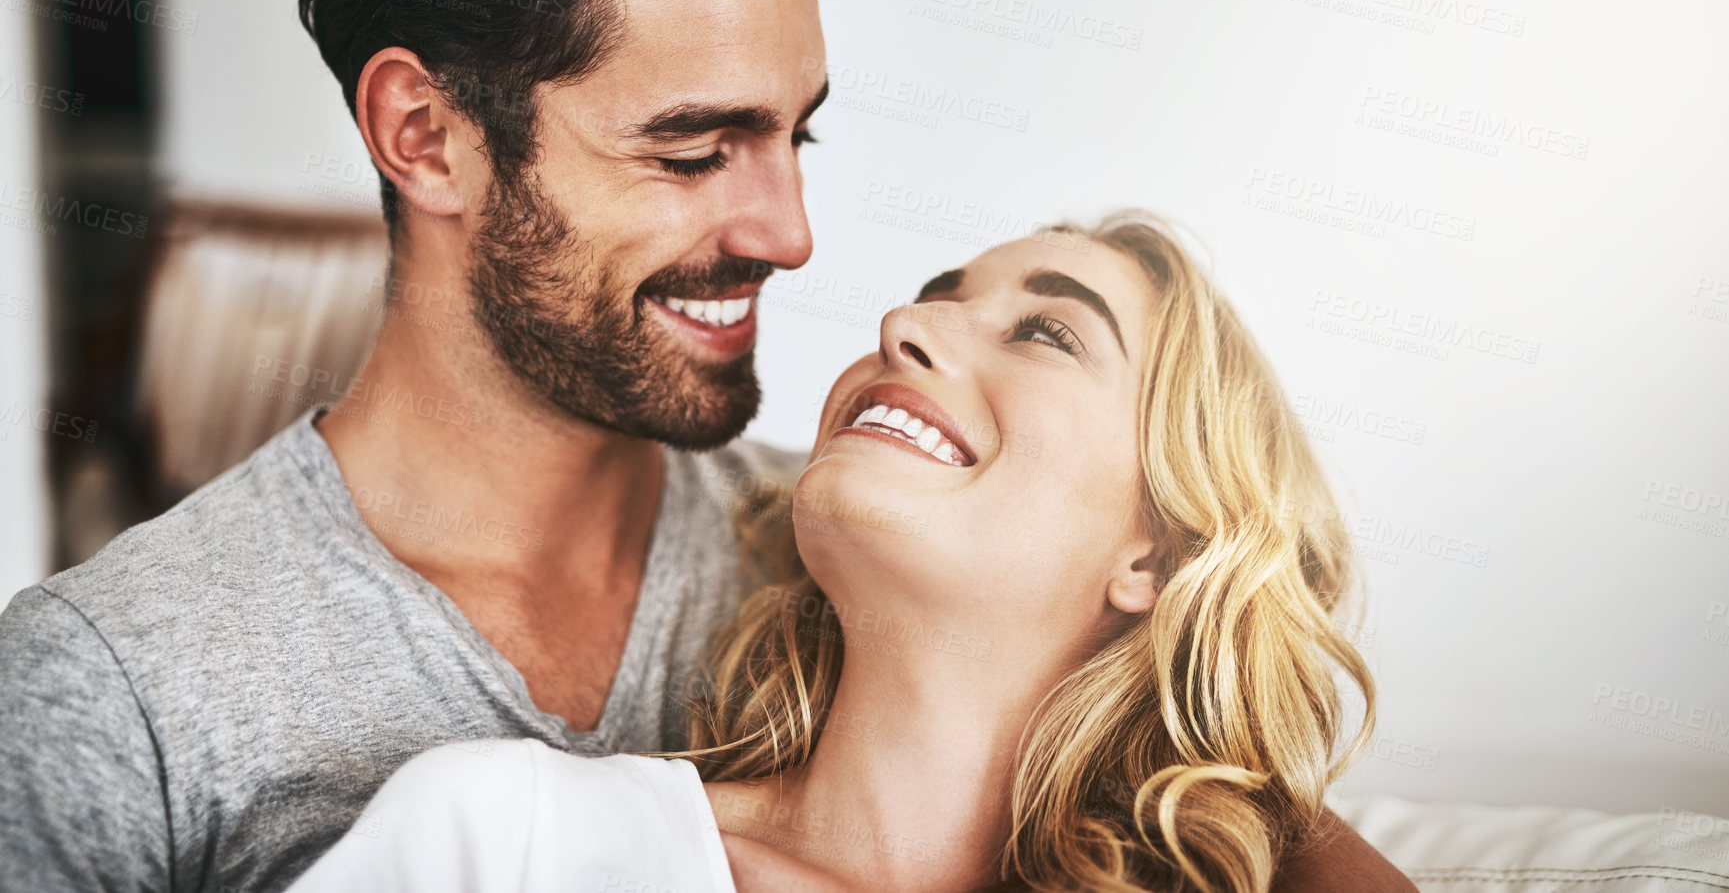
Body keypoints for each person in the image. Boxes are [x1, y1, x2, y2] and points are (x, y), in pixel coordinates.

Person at [0, 0, 1401, 890]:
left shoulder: (846, 562)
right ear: (427, 137)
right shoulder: (115, 686)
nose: (788, 235)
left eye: (798, 138)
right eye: (690, 150)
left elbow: (1215, 814)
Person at [288, 214, 1416, 892]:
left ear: (1158, 555)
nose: (903, 328)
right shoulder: (511, 838)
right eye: (932, 301)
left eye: (1045, 331)